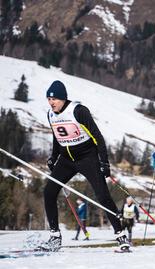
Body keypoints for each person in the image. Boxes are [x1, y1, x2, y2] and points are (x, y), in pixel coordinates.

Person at [42, 80, 129, 252]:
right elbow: (57, 138)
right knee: (49, 192)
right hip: (66, 159)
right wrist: (53, 157)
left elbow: (97, 137)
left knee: (103, 196)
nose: (51, 103)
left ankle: (120, 235)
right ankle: (55, 237)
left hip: (87, 157)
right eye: (48, 99)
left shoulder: (78, 111)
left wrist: (104, 161)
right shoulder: (51, 115)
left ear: (63, 98)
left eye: (54, 99)